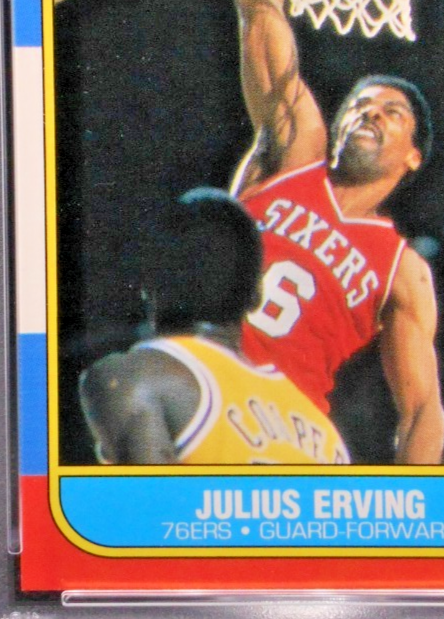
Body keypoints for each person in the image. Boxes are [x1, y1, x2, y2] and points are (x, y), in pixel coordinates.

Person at [232, 0, 444, 465]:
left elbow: (424, 409)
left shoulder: (402, 267)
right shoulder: (296, 151)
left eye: (391, 112)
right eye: (359, 105)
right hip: (212, 370)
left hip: (289, 426)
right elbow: (259, 5)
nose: (369, 114)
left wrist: (413, 503)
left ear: (413, 156)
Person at [79, 187, 349, 466]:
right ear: (256, 296)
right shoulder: (330, 441)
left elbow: (152, 495)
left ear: (149, 283)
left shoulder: (134, 378)